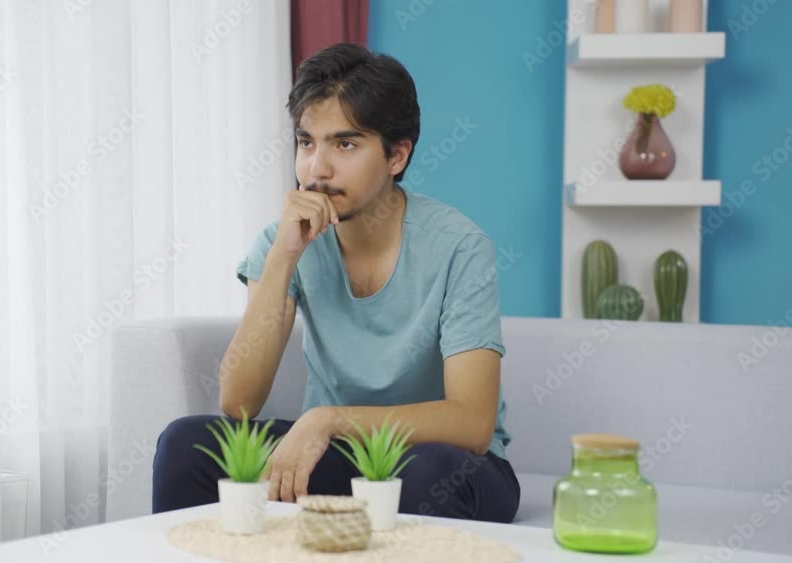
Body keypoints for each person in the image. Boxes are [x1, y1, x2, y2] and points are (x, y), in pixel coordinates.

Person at [152, 42, 520, 523]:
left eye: (344, 144)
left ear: (397, 156)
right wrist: (285, 256)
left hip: (445, 462)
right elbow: (238, 402)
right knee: (185, 445)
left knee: (428, 472)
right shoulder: (284, 239)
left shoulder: (460, 247)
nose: (316, 169)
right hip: (335, 455)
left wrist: (328, 419)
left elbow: (471, 423)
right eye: (307, 143)